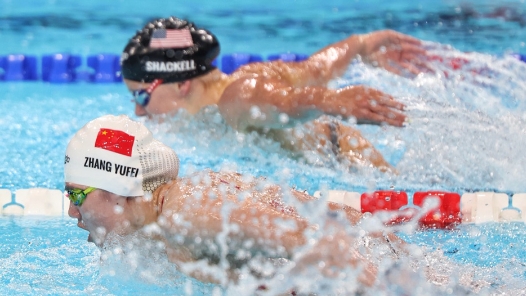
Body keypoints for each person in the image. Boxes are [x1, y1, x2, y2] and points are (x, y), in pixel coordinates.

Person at [64, 114, 407, 291]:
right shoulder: (166, 218)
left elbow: (325, 244)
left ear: (120, 186)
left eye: (77, 195)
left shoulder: (187, 215)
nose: (70, 211)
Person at [120, 17, 430, 172]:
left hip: (348, 164)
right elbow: (317, 68)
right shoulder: (253, 75)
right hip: (346, 149)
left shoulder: (236, 98)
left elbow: (287, 102)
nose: (138, 111)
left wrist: (330, 101)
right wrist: (361, 43)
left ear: (181, 84)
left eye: (141, 96)